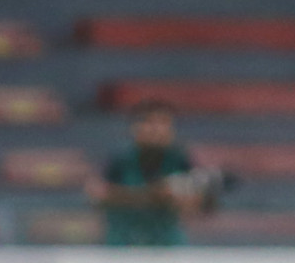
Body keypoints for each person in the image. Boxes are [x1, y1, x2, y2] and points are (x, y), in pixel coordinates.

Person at [84, 99, 214, 246]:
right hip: (123, 245)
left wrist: (183, 199)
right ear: (134, 128)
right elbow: (97, 195)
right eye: (149, 123)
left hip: (168, 245)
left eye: (163, 123)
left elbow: (202, 203)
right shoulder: (119, 160)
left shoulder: (180, 160)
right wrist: (153, 195)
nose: (156, 130)